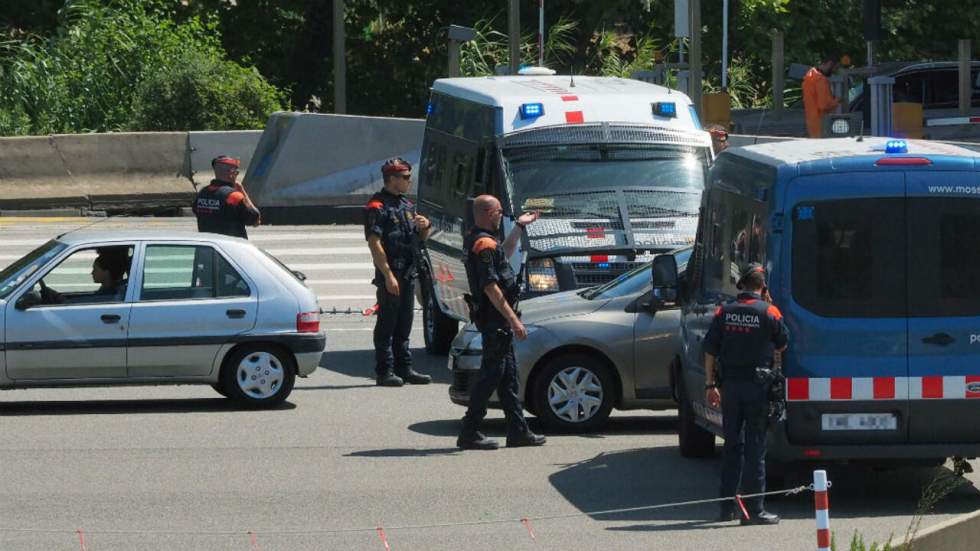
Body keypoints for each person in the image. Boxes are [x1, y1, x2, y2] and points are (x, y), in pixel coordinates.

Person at [456, 195, 547, 451]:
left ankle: (518, 431)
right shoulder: (483, 243)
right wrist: (513, 319)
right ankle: (469, 430)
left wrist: (519, 226)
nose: (500, 216)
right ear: (487, 212)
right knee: (490, 376)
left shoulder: (482, 239)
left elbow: (504, 255)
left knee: (508, 378)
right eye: (498, 212)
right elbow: (491, 288)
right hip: (495, 319)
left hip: (497, 320)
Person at [703, 263, 788, 525]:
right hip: (758, 387)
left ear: (741, 285)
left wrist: (710, 386)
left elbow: (710, 350)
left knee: (731, 447)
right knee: (755, 448)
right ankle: (754, 510)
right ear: (762, 286)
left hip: (730, 387)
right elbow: (783, 343)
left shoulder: (724, 311)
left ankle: (726, 508)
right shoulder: (769, 311)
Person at [364, 158, 433, 387]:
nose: (408, 181)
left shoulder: (407, 205)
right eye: (404, 177)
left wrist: (425, 228)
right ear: (392, 179)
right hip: (392, 273)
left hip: (409, 272)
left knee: (405, 323)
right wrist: (387, 275)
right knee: (387, 324)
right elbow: (375, 243)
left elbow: (417, 239)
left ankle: (405, 368)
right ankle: (385, 371)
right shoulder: (377, 206)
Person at [193, 155, 261, 239]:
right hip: (231, 248)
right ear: (231, 173)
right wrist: (241, 190)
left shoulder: (202, 193)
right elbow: (256, 220)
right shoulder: (234, 196)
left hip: (208, 247)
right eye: (236, 172)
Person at [802, 57, 840, 138]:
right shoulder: (820, 80)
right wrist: (837, 101)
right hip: (822, 122)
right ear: (829, 64)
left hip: (811, 121)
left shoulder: (809, 77)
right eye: (835, 68)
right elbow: (823, 105)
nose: (834, 71)